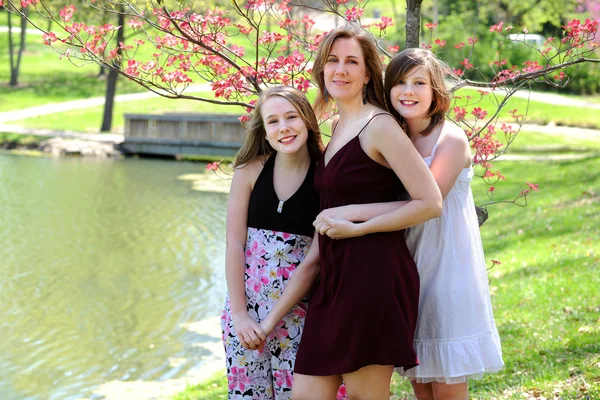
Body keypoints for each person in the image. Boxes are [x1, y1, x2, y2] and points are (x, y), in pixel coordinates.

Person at [317, 48, 505, 399]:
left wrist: (354, 214)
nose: (408, 91)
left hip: (447, 267)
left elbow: (425, 202)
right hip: (407, 263)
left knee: (446, 380)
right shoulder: (392, 133)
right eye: (400, 82)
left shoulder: (451, 139)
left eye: (419, 83)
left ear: (436, 91)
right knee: (421, 380)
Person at [291, 26, 443, 400]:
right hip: (333, 277)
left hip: (374, 276)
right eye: (332, 60)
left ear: (367, 73)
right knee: (306, 394)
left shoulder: (381, 126)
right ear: (322, 70)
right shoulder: (337, 124)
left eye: (351, 62)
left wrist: (360, 227)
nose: (340, 69)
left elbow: (429, 201)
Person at [221, 86, 324, 399]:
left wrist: (270, 323)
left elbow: (314, 261)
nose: (284, 128)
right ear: (264, 131)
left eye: (291, 117)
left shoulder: (326, 176)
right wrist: (240, 314)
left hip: (300, 316)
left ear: (307, 119)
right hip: (245, 318)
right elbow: (234, 244)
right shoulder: (250, 171)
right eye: (274, 121)